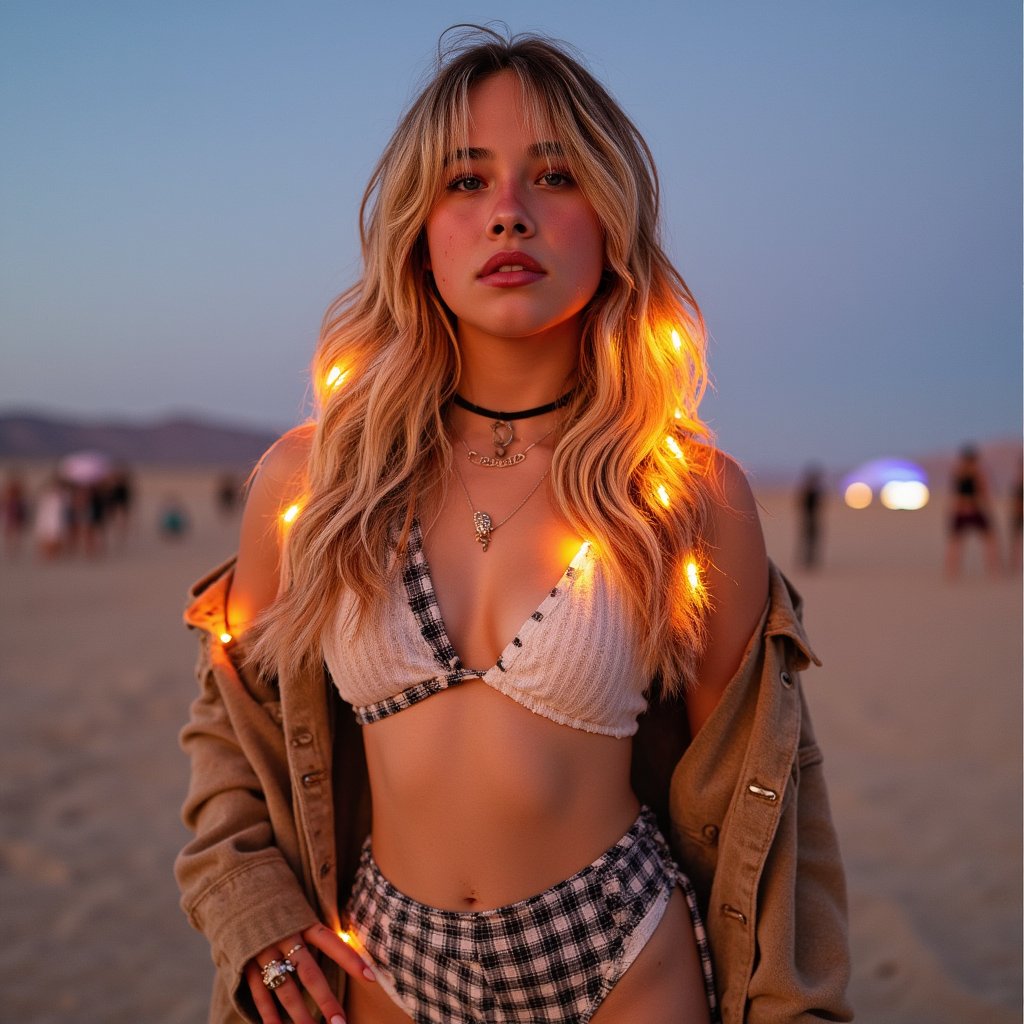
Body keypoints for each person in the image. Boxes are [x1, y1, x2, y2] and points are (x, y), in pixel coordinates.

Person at [176, 27, 850, 1024]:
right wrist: (248, 903)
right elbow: (233, 730)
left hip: (624, 955)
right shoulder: (318, 478)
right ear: (417, 225)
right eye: (465, 182)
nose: (507, 215)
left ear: (610, 219)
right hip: (385, 959)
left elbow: (764, 803)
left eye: (554, 176)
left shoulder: (686, 491)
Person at [944, 444, 1000, 578]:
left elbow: (955, 495)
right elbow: (984, 493)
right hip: (972, 510)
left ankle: (952, 573)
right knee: (987, 540)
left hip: (962, 510)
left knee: (957, 542)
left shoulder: (959, 473)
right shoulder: (975, 473)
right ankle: (994, 571)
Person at [796, 464, 825, 569]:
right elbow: (801, 504)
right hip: (808, 519)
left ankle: (810, 561)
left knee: (812, 541)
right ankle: (806, 561)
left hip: (814, 519)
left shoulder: (815, 491)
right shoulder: (808, 491)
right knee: (807, 540)